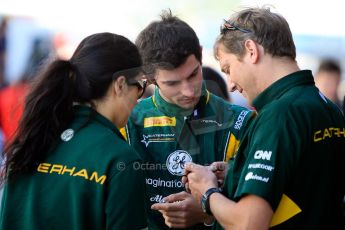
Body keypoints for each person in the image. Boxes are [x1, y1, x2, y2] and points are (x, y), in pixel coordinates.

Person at [184, 7, 345, 230]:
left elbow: (249, 223)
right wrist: (236, 173)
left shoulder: (279, 115)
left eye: (228, 68)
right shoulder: (327, 107)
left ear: (251, 50)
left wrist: (207, 192)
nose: (230, 83)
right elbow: (303, 181)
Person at [0, 32, 148, 229]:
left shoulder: (31, 141)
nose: (139, 98)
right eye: (140, 86)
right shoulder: (120, 160)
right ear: (120, 85)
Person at [122, 10, 254, 229]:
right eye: (173, 83)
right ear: (149, 78)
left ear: (201, 55)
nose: (188, 91)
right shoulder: (127, 122)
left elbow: (256, 215)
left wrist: (207, 213)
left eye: (193, 74)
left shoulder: (241, 121)